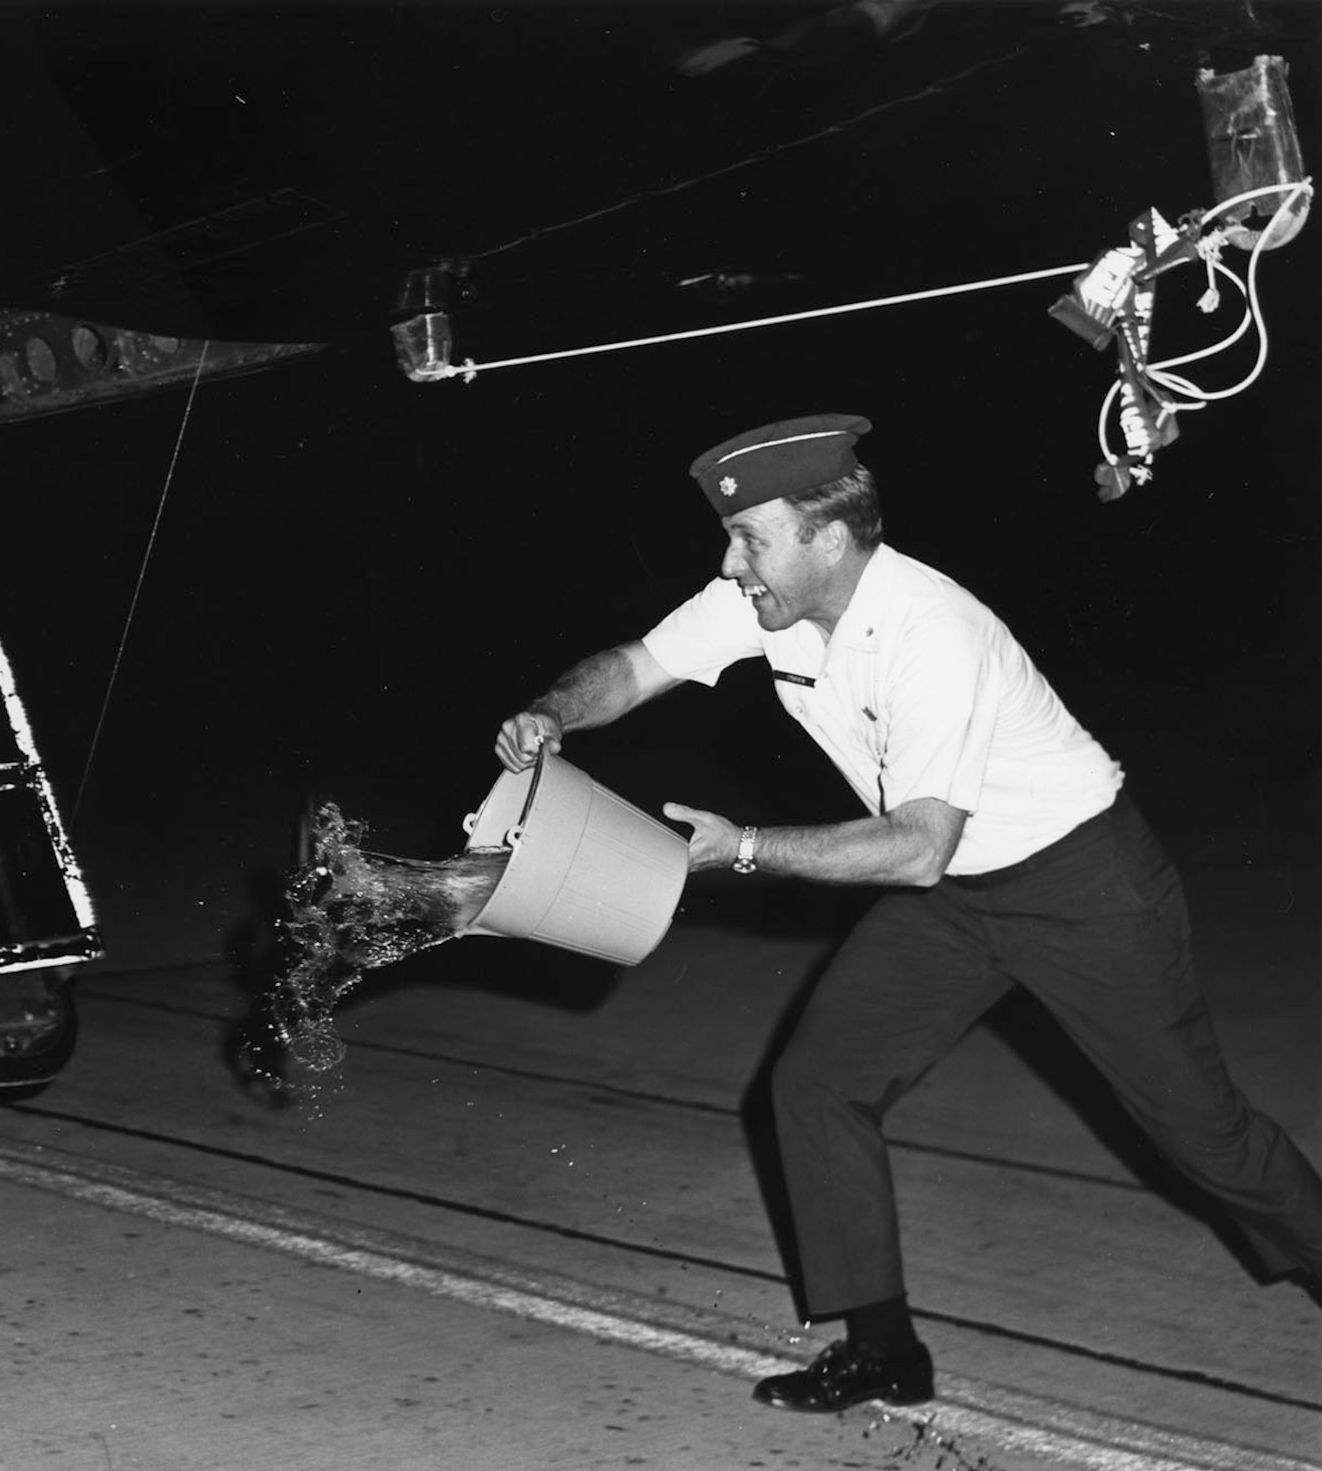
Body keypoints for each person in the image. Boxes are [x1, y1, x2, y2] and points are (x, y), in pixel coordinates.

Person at [494, 413, 1322, 1413]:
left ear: (828, 538)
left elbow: (917, 843)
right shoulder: (758, 602)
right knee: (815, 1082)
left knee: (1205, 1138)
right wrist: (551, 711)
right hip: (954, 897)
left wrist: (743, 849)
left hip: (1078, 886)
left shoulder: (933, 631)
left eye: (750, 538)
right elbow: (632, 667)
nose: (729, 560)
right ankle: (883, 1352)